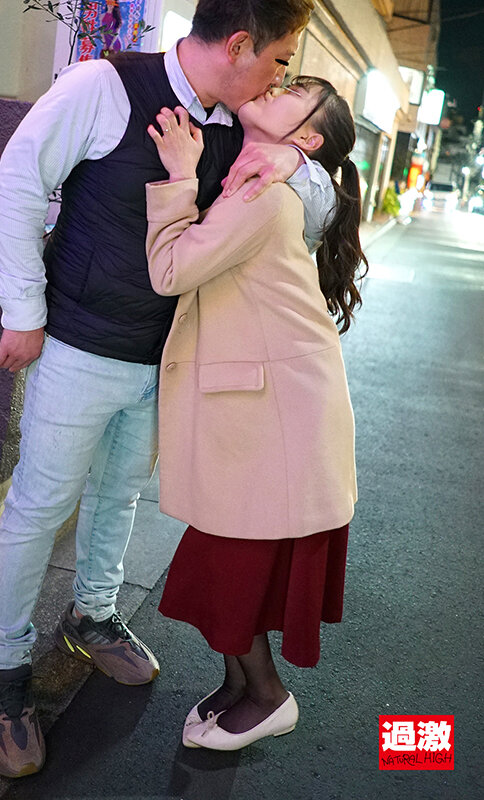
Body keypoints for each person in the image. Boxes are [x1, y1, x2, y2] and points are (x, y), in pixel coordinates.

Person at [0, 0, 318, 778]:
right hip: (78, 344)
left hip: (166, 358)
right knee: (40, 505)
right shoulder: (102, 85)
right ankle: (2, 670)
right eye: (280, 59)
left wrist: (293, 163)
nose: (281, 78)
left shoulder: (243, 124)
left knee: (122, 495)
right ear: (241, 44)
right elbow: (17, 186)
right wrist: (23, 311)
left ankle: (94, 615)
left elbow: (321, 198)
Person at [145, 75, 367, 751]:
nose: (278, 86)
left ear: (309, 139)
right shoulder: (270, 175)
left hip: (276, 415)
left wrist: (179, 177)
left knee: (233, 562)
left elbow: (171, 271)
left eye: (297, 91)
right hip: (272, 407)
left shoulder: (266, 194)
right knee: (234, 556)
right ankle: (241, 686)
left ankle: (269, 697)